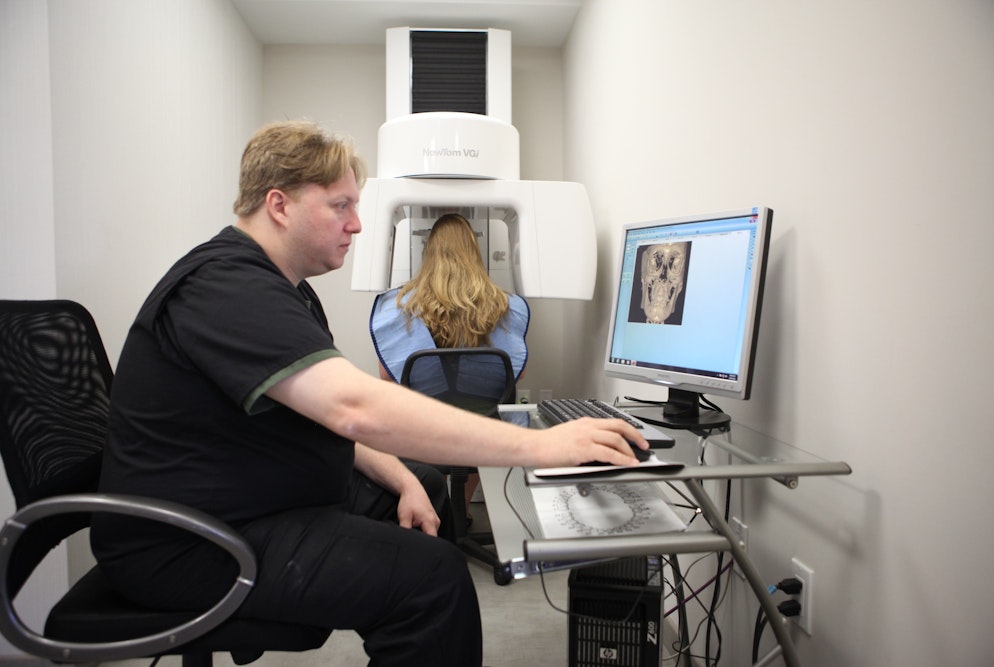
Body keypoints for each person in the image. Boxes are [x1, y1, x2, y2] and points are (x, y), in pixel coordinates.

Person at [90, 120, 647, 667]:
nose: (356, 225)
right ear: (279, 205)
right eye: (341, 206)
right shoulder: (224, 287)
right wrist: (544, 447)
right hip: (190, 541)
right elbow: (352, 408)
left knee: (426, 484)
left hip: (249, 504)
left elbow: (325, 416)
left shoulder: (285, 289)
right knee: (434, 579)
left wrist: (403, 478)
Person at [370, 212, 530, 518]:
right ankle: (462, 513)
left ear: (429, 253)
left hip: (423, 427)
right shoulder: (502, 304)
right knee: (481, 422)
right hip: (484, 427)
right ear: (474, 252)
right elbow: (517, 374)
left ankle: (439, 512)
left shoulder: (401, 306)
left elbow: (386, 377)